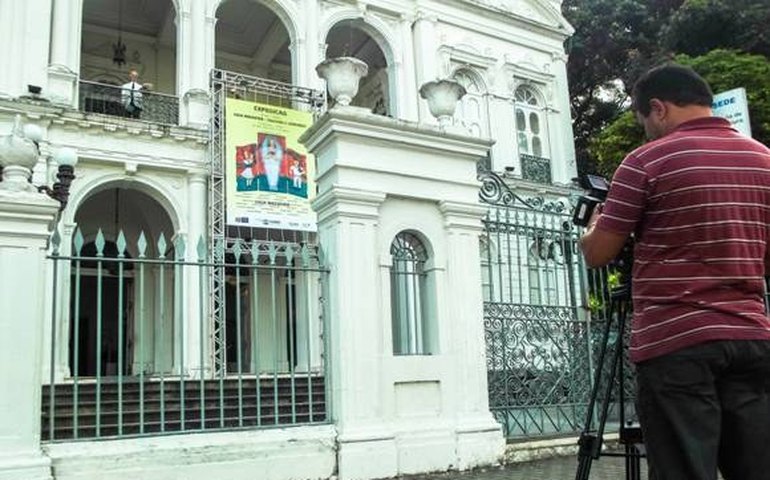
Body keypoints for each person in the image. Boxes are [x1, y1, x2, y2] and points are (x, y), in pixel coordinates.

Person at [579, 63, 770, 480]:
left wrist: (593, 227)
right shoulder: (764, 160)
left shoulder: (646, 161)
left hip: (675, 343)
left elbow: (600, 254)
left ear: (658, 108)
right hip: (752, 339)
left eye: (643, 119)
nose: (646, 129)